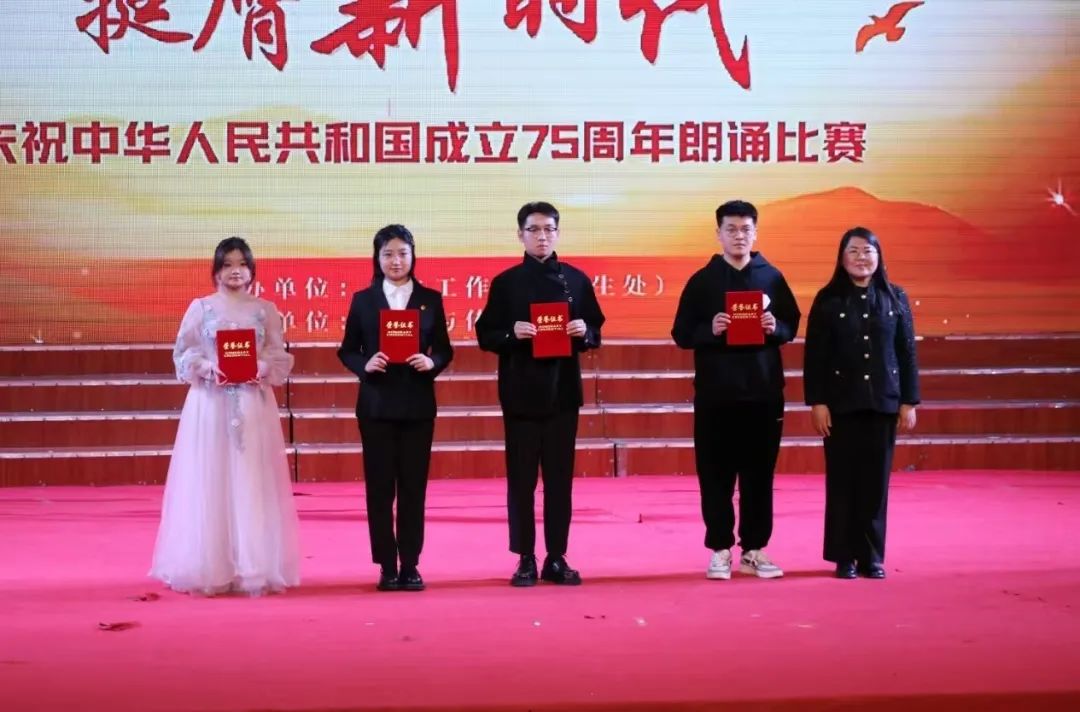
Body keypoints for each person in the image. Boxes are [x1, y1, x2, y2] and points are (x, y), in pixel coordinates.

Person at [150, 237, 300, 596]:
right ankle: (211, 565)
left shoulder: (265, 310)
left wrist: (262, 367)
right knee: (211, 477)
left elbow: (277, 355)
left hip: (252, 404)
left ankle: (252, 565)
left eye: (242, 264)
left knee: (251, 479)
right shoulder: (201, 308)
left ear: (252, 271)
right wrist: (207, 368)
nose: (236, 271)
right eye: (228, 264)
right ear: (216, 270)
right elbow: (183, 353)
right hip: (210, 403)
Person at [476, 201, 605, 587]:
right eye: (533, 229)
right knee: (521, 481)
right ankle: (525, 558)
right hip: (520, 394)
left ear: (558, 233)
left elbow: (595, 331)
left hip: (563, 393)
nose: (542, 236)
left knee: (560, 480)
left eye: (549, 229)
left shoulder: (576, 280)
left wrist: (584, 332)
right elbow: (486, 335)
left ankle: (557, 556)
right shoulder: (506, 283)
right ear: (520, 235)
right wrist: (510, 333)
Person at [671, 200, 801, 580]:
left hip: (763, 393)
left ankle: (754, 549)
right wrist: (709, 330)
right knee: (715, 475)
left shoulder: (772, 277)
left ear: (755, 233)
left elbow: (791, 325)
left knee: (760, 476)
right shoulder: (703, 281)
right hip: (716, 394)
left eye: (746, 229)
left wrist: (776, 327)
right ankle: (720, 549)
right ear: (718, 234)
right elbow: (681, 333)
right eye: (731, 229)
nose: (739, 236)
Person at [338, 224, 453, 592]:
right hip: (376, 405)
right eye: (387, 254)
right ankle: (387, 565)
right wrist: (365, 364)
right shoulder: (364, 300)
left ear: (413, 255)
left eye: (403, 253)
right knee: (380, 489)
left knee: (413, 489)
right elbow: (347, 350)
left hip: (417, 405)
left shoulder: (430, 299)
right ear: (377, 258)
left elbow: (444, 349)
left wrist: (432, 362)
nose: (396, 261)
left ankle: (411, 564)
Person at [803, 226, 919, 579]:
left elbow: (906, 352)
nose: (861, 258)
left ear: (878, 257)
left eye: (867, 251)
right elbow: (815, 356)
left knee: (875, 483)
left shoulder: (895, 297)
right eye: (853, 251)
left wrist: (909, 401)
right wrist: (817, 402)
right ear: (841, 258)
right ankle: (844, 556)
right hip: (840, 405)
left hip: (884, 403)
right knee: (843, 482)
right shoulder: (828, 299)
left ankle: (871, 557)